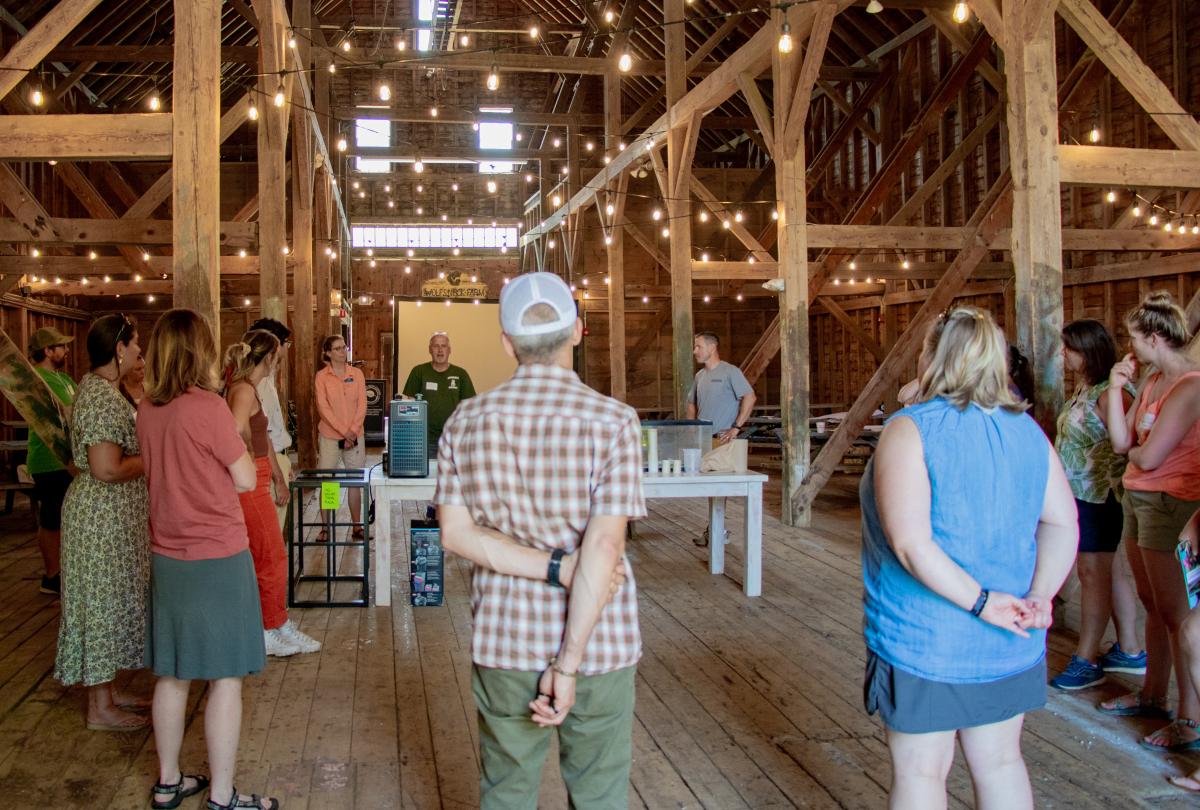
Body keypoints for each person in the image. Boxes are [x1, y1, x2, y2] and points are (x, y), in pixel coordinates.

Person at [436, 272, 643, 809]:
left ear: (506, 342)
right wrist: (568, 664)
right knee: (599, 796)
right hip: (600, 641)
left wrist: (553, 566)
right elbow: (603, 550)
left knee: (507, 793)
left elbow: (455, 535)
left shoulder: (465, 421)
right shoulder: (615, 421)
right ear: (577, 330)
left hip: (506, 637)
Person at [862, 306, 1077, 809]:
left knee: (922, 771)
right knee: (1001, 762)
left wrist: (982, 602)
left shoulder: (909, 429)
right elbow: (1063, 522)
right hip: (1011, 636)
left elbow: (912, 546)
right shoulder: (1027, 432)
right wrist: (1039, 595)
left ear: (934, 357)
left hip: (926, 638)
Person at [137, 309, 278, 810]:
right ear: (200, 350)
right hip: (217, 554)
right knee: (225, 676)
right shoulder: (208, 408)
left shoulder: (147, 409)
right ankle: (221, 795)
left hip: (167, 553)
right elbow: (244, 478)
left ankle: (168, 782)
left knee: (172, 674)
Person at [1099, 292, 1200, 752]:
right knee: (1151, 604)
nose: (1130, 347)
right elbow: (1123, 444)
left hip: (1170, 501)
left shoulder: (1191, 386)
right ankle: (1154, 695)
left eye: (1134, 338)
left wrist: (1140, 455)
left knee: (1178, 615)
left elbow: (1150, 453)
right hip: (1140, 496)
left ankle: (1190, 719)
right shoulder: (1154, 380)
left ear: (1156, 338)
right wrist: (1118, 389)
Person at [55, 314, 151, 732]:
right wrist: (156, 458)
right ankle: (99, 708)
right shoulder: (98, 396)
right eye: (135, 345)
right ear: (118, 349)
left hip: (112, 519)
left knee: (111, 603)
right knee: (99, 606)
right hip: (99, 520)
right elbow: (106, 468)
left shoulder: (109, 392)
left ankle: (110, 691)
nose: (139, 353)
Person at [1049, 320, 1145, 690]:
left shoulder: (1112, 394)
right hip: (1080, 494)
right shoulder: (1089, 389)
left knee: (1093, 575)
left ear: (1087, 351)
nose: (1063, 353)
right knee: (1109, 571)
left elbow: (1125, 440)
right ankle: (1130, 649)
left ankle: (1086, 658)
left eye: (1068, 348)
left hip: (1098, 495)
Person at [224, 330, 320, 658]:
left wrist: (277, 477)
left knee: (271, 553)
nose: (280, 360)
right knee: (271, 555)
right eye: (278, 354)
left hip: (262, 472)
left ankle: (278, 622)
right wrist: (249, 464)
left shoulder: (249, 388)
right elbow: (236, 431)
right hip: (250, 481)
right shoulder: (243, 389)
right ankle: (268, 628)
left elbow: (260, 436)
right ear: (269, 357)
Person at [26, 326, 78, 595]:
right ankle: (51, 575)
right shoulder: (36, 380)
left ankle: (64, 571)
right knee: (51, 518)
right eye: (61, 346)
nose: (67, 350)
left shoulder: (64, 378)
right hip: (49, 459)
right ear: (48, 351)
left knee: (64, 517)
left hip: (68, 458)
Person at [315, 335, 366, 540]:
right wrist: (343, 432)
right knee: (329, 483)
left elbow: (362, 404)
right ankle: (326, 528)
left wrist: (352, 431)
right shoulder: (321, 376)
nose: (342, 351)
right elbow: (323, 408)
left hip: (355, 436)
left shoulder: (357, 374)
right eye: (337, 348)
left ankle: (357, 526)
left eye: (344, 347)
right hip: (329, 437)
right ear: (327, 353)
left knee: (355, 482)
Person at [249, 318, 293, 530]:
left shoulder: (265, 378)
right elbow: (261, 433)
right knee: (271, 528)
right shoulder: (258, 385)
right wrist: (279, 478)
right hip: (267, 461)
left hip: (275, 457)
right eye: (287, 344)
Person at [402, 331, 476, 451]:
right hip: (424, 440)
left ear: (449, 350)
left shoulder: (461, 374)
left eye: (444, 346)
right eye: (436, 346)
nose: (440, 350)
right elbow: (409, 403)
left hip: (453, 439)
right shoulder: (418, 372)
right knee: (427, 470)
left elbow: (469, 406)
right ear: (430, 350)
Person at [686, 332, 755, 444]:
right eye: (695, 347)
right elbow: (690, 403)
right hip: (702, 439)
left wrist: (736, 428)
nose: (695, 351)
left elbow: (750, 398)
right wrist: (691, 430)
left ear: (712, 347)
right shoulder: (699, 375)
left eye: (699, 347)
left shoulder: (730, 371)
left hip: (723, 439)